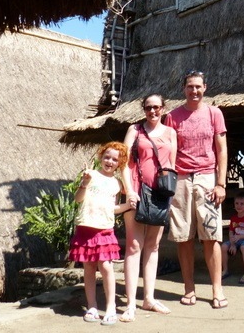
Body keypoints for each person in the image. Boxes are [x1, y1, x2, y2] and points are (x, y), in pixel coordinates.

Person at [165, 70, 229, 309]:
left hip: (207, 178)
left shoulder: (214, 113)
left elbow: (221, 149)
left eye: (198, 87)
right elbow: (168, 150)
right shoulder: (173, 116)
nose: (194, 91)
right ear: (184, 89)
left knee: (211, 236)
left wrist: (221, 183)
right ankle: (189, 288)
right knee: (183, 236)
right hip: (181, 178)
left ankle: (217, 289)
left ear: (205, 88)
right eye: (190, 87)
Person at [120, 93, 177, 322]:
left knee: (153, 247)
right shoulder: (135, 130)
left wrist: (171, 195)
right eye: (148, 108)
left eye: (156, 107)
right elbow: (123, 162)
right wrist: (129, 190)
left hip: (160, 195)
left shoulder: (171, 132)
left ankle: (149, 298)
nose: (152, 111)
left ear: (163, 108)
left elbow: (171, 165)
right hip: (136, 191)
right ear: (143, 109)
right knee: (134, 247)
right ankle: (131, 304)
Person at [68, 141, 133, 326]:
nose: (110, 162)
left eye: (115, 159)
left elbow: (112, 208)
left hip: (104, 229)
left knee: (106, 267)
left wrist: (128, 206)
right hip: (85, 228)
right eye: (107, 157)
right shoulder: (91, 175)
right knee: (89, 268)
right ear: (101, 157)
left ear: (119, 163)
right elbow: (78, 199)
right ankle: (92, 306)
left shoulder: (117, 183)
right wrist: (84, 183)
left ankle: (111, 307)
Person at [221, 191, 244, 284]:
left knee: (243, 247)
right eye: (236, 203)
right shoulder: (234, 218)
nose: (239, 206)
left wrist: (240, 237)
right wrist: (232, 244)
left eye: (242, 204)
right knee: (224, 246)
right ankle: (225, 270)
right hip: (236, 240)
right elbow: (231, 232)